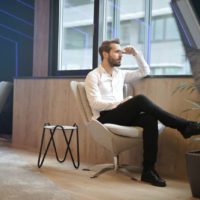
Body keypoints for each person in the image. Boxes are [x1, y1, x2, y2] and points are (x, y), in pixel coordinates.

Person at [85, 38, 200, 187]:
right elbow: (95, 103)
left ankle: (148, 171)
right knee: (139, 100)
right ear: (105, 54)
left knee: (149, 119)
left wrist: (136, 54)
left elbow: (145, 71)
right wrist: (121, 103)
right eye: (117, 52)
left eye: (121, 52)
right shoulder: (93, 76)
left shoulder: (120, 74)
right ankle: (184, 126)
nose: (121, 55)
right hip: (105, 117)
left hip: (120, 115)